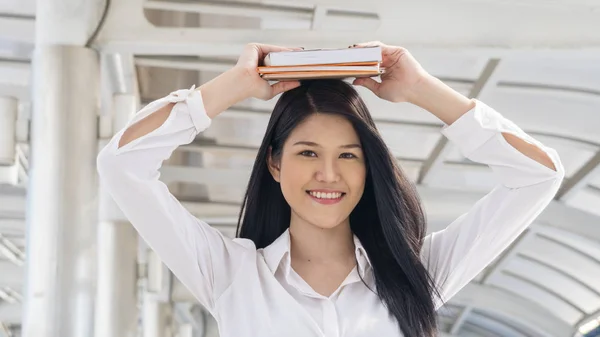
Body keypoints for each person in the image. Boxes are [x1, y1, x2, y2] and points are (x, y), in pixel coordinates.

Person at [97, 41, 564, 337]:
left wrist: (421, 89)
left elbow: (537, 177)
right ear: (275, 164)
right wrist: (234, 85)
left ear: (369, 167)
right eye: (306, 153)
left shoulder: (416, 273)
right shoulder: (231, 274)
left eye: (348, 155)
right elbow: (123, 166)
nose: (328, 174)